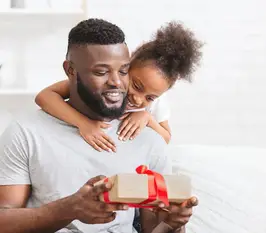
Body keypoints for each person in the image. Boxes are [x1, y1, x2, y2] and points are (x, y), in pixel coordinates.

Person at [0, 18, 196, 233]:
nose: (117, 83)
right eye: (101, 72)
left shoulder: (148, 139)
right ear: (71, 71)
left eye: (123, 71)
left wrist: (172, 224)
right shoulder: (26, 132)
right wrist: (69, 208)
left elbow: (154, 229)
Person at [35, 20, 202, 152]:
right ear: (126, 67)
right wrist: (83, 123)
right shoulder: (103, 87)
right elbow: (44, 96)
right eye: (136, 85)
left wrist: (146, 117)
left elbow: (165, 138)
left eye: (150, 97)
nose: (137, 99)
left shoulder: (155, 103)